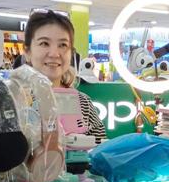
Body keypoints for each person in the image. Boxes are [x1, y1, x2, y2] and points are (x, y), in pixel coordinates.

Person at [22, 9, 106, 142]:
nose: (54, 54)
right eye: (44, 43)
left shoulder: (83, 103)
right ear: (27, 52)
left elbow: (101, 149)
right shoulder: (13, 101)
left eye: (63, 45)